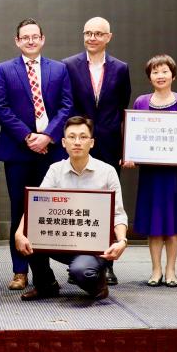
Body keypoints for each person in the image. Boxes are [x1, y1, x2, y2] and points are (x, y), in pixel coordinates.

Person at [0, 18, 73, 291]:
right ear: (17, 41)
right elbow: (0, 107)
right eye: (24, 37)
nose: (30, 41)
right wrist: (28, 137)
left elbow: (67, 105)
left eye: (34, 36)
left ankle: (44, 272)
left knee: (49, 209)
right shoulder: (4, 70)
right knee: (20, 209)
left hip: (51, 150)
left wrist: (48, 135)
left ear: (42, 39)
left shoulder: (59, 69)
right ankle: (19, 271)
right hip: (18, 151)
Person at [15, 116, 128, 301]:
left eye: (83, 137)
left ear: (92, 143)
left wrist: (122, 240)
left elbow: (118, 213)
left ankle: (98, 284)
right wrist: (19, 233)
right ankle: (46, 285)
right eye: (72, 137)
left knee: (81, 272)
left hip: (93, 245)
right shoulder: (55, 170)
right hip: (61, 240)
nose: (77, 142)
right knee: (28, 237)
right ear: (63, 142)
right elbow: (35, 207)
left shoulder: (107, 172)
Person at [63, 16, 131, 286]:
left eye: (98, 34)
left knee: (109, 204)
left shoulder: (121, 68)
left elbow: (122, 106)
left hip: (109, 144)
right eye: (88, 33)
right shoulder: (69, 65)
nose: (92, 38)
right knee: (78, 204)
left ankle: (107, 264)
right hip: (78, 143)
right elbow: (67, 103)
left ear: (108, 37)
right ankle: (77, 260)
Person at [122, 55, 177, 287]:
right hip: (152, 174)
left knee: (174, 224)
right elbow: (134, 136)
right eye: (155, 72)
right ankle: (156, 270)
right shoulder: (141, 102)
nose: (160, 76)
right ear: (149, 77)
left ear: (173, 75)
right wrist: (129, 155)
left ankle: (171, 270)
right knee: (154, 224)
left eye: (164, 71)